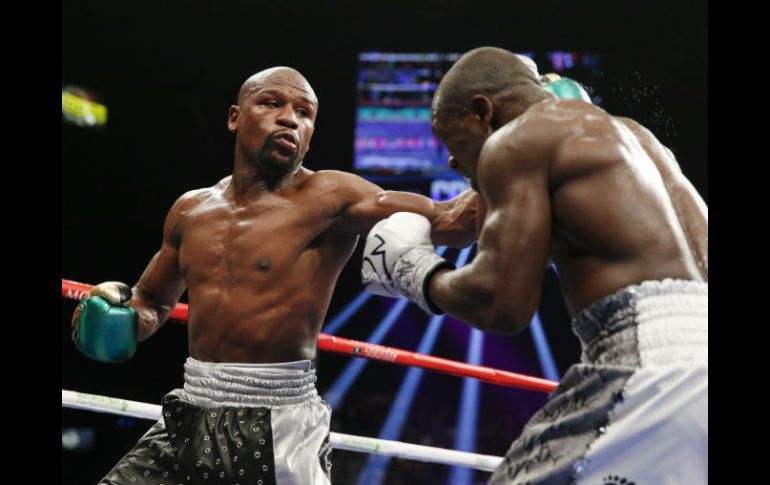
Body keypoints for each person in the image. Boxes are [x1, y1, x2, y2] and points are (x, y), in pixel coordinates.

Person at [71, 66, 479, 485]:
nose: (289, 118)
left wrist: (519, 155)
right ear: (235, 117)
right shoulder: (190, 210)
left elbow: (451, 218)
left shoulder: (331, 197)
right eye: (271, 103)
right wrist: (120, 323)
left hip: (275, 423)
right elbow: (153, 300)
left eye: (304, 113)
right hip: (189, 410)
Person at [361, 47, 707, 484]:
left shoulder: (515, 140)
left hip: (649, 361)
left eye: (449, 139)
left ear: (482, 112)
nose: (450, 159)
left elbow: (501, 302)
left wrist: (417, 272)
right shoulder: (638, 141)